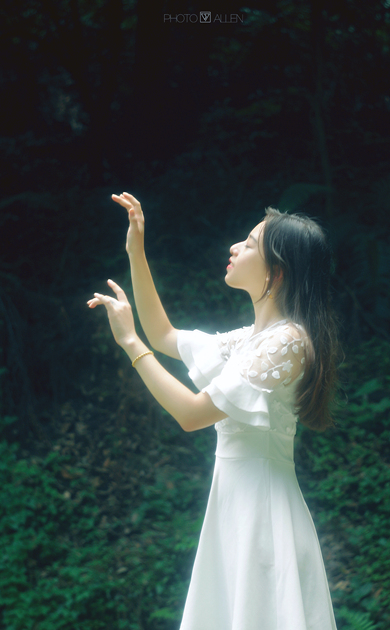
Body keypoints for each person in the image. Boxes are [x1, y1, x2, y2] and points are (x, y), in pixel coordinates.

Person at [88, 192, 338, 630]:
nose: (234, 247)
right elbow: (164, 335)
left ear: (276, 272)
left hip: (262, 518)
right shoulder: (250, 340)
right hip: (234, 509)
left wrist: (130, 343)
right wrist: (135, 250)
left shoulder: (287, 342)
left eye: (249, 243)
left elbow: (191, 414)